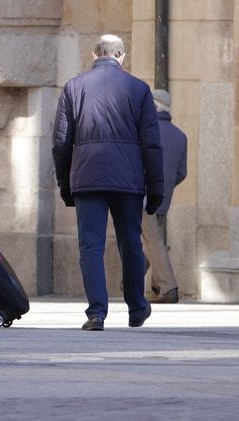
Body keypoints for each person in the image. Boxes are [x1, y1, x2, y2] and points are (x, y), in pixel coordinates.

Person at [52, 34, 164, 332]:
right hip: (128, 179)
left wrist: (65, 184)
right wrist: (156, 188)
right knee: (131, 243)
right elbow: (151, 144)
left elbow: (61, 142)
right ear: (122, 57)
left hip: (87, 178)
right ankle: (137, 308)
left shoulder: (74, 87)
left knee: (91, 245)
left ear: (94, 55)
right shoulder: (139, 89)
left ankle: (97, 313)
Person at [142, 89, 187, 304]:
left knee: (152, 240)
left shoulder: (145, 130)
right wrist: (166, 187)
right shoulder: (180, 136)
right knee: (149, 240)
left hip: (141, 195)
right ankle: (134, 281)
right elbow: (181, 173)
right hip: (163, 198)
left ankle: (168, 287)